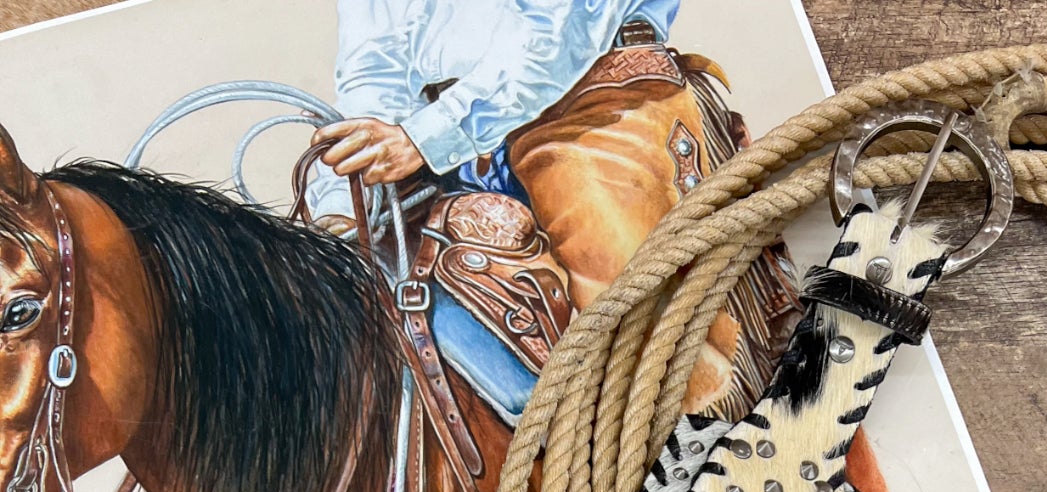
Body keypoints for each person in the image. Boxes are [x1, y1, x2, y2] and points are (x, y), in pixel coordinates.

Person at [310, 0, 745, 410]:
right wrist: (341, 201)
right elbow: (374, 68)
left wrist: (424, 139)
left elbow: (561, 31)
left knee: (647, 349)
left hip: (591, 95)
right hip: (434, 140)